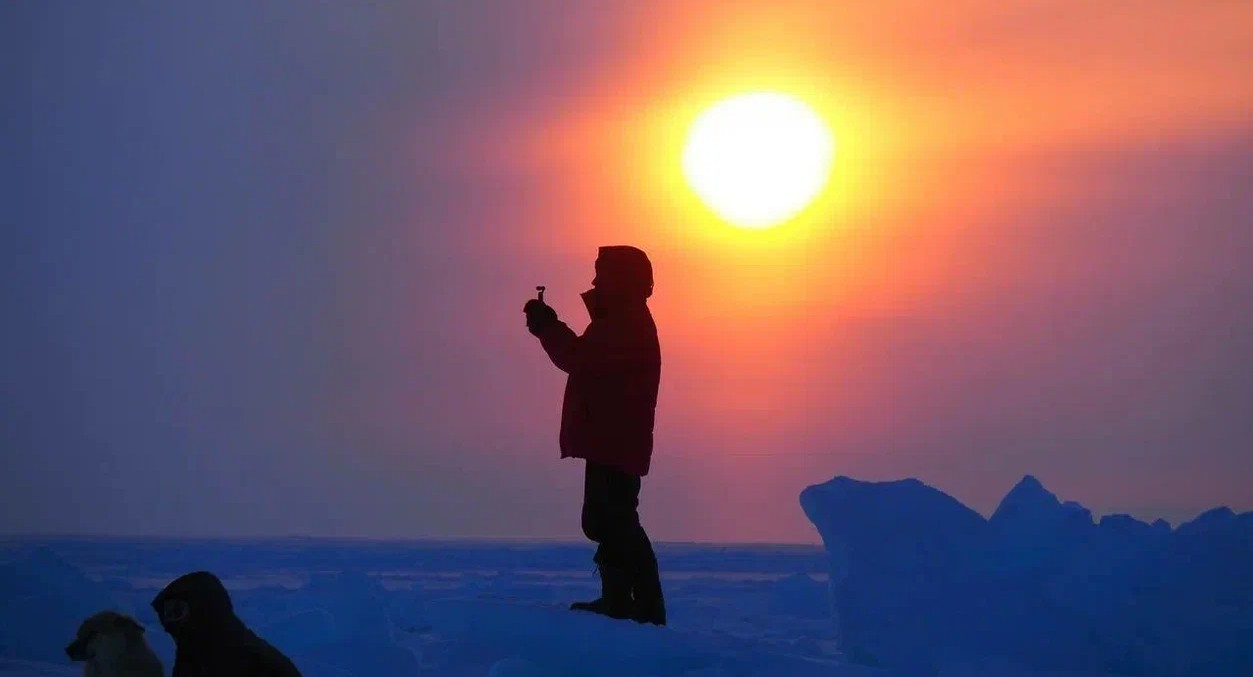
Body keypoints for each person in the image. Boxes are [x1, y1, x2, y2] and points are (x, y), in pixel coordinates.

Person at [523, 245, 665, 625]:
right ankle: (625, 601)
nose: (595, 281)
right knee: (608, 520)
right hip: (612, 438)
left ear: (619, 280)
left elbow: (578, 358)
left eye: (601, 275)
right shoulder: (622, 320)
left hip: (614, 440)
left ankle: (638, 606)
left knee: (613, 520)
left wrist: (547, 327)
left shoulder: (624, 322)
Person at [151, 571, 303, 677]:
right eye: (168, 613)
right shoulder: (193, 658)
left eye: (177, 611)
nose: (170, 623)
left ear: (203, 609)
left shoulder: (254, 662)